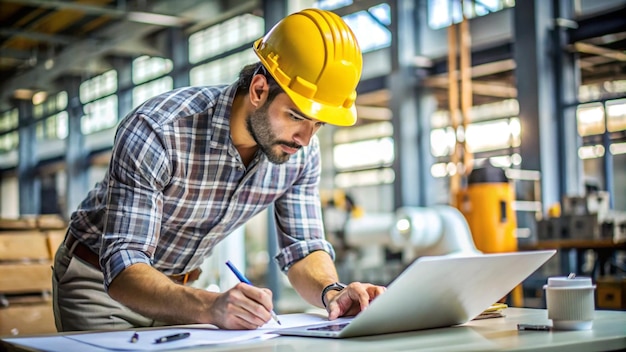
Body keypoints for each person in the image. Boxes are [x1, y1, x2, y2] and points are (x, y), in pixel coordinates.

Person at [52, 8, 386, 332]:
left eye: (318, 124)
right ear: (258, 90)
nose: (305, 138)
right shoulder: (159, 130)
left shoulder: (300, 152)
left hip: (183, 292)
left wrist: (332, 291)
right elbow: (123, 261)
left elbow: (304, 248)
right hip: (102, 286)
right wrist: (210, 307)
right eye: (296, 116)